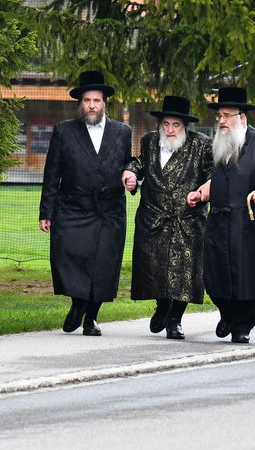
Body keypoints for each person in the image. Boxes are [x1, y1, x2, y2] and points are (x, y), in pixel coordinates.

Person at [38, 70, 134, 336]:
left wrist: (131, 176)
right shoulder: (64, 131)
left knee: (104, 265)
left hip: (109, 210)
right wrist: (46, 211)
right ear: (80, 103)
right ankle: (77, 304)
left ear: (105, 103)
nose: (92, 105)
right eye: (87, 100)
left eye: (97, 100)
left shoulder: (122, 131)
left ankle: (90, 317)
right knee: (71, 258)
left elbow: (129, 163)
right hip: (72, 208)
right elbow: (52, 173)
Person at [189, 86, 255, 344]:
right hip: (219, 219)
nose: (221, 121)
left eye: (227, 115)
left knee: (246, 274)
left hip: (249, 221)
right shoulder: (218, 143)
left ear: (242, 118)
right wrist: (202, 191)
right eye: (220, 115)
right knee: (215, 273)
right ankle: (226, 314)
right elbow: (216, 177)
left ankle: (243, 325)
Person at [123, 95, 213, 340]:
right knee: (156, 268)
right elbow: (139, 163)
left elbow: (213, 174)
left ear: (185, 126)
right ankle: (162, 306)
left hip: (187, 220)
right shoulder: (150, 141)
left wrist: (203, 191)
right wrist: (130, 174)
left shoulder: (200, 144)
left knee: (184, 271)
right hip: (153, 218)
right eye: (166, 124)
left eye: (176, 125)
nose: (170, 130)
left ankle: (175, 321)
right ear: (160, 124)